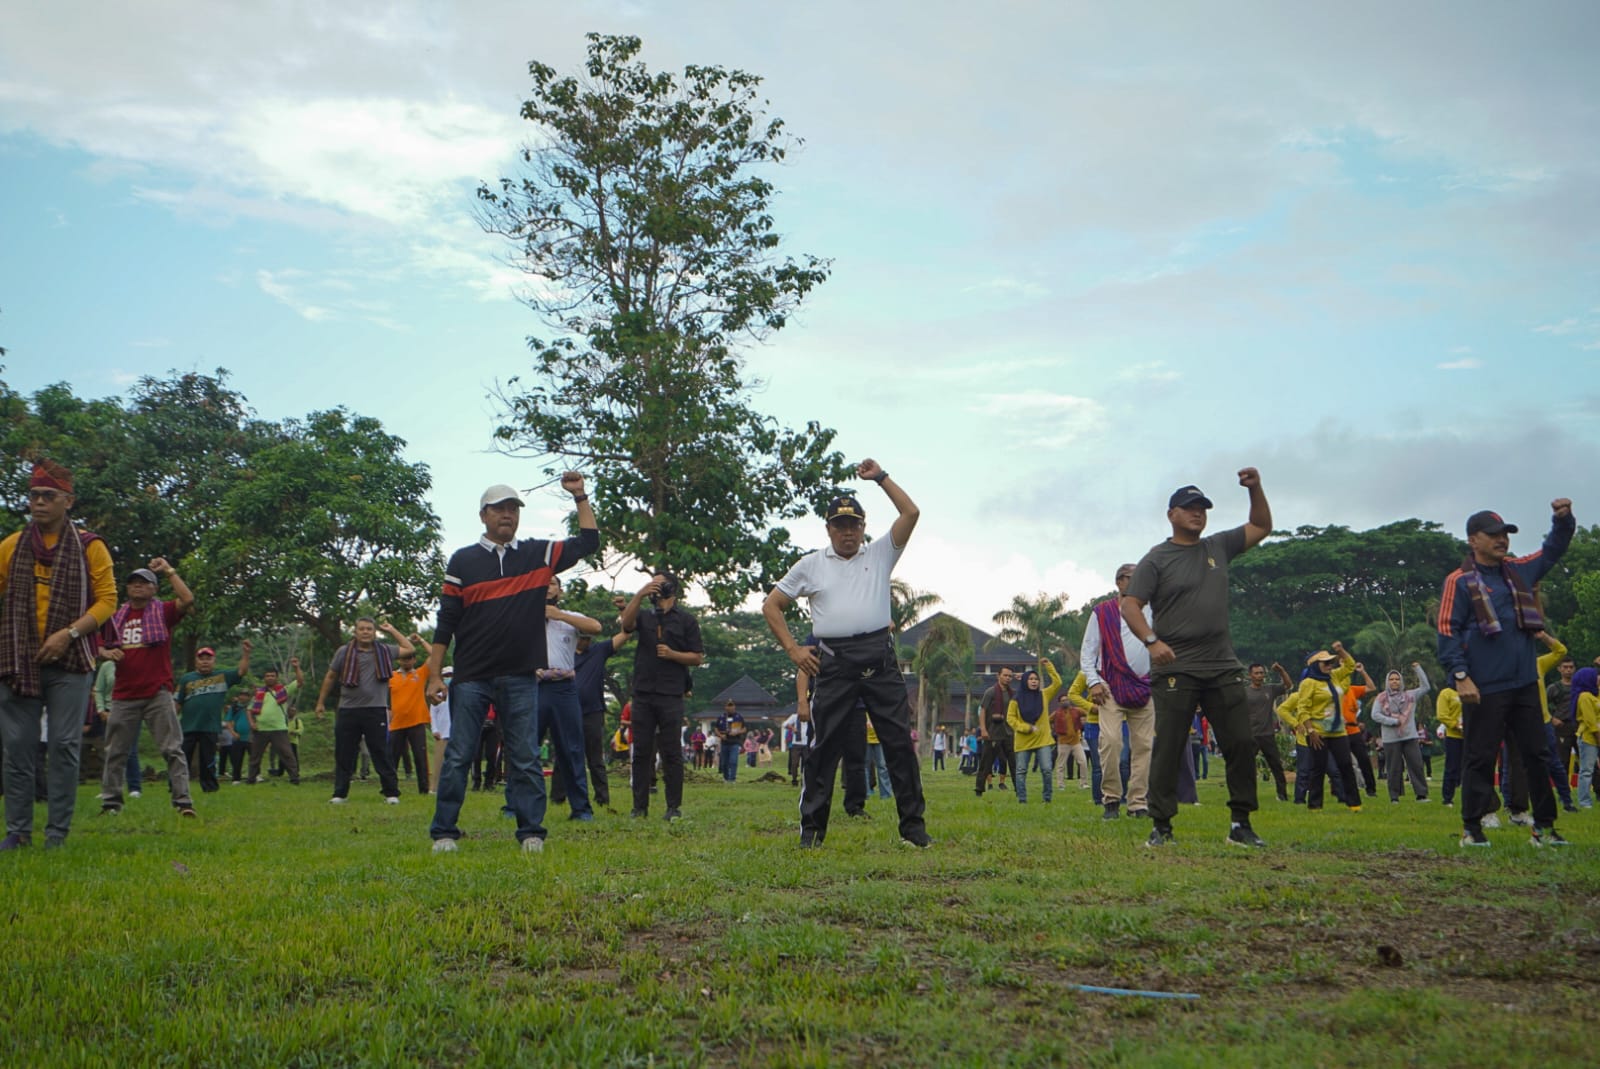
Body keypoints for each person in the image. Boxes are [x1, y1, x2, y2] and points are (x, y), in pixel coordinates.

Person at [425, 475, 599, 853]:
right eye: (499, 509)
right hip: (471, 675)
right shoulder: (463, 561)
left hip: (520, 675)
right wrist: (435, 675)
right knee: (459, 754)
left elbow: (589, 541)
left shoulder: (538, 554)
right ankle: (444, 832)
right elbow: (446, 621)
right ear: (483, 515)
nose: (507, 515)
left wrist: (580, 496)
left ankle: (531, 832)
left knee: (525, 756)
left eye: (513, 509)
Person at [763, 460, 931, 849]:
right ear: (829, 529)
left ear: (863, 526)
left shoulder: (880, 553)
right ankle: (812, 832)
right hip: (834, 663)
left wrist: (881, 478)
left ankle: (914, 830)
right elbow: (772, 605)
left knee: (898, 745)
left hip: (879, 659)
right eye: (840, 526)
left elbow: (911, 513)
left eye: (854, 525)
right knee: (824, 748)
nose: (848, 532)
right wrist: (793, 649)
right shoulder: (811, 565)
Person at [1122, 473, 1272, 849]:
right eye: (1189, 508)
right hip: (1176, 668)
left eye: (1202, 508)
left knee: (1240, 743)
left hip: (1221, 665)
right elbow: (1130, 605)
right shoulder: (1156, 559)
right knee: (1170, 747)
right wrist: (1152, 641)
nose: (1197, 513)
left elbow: (1261, 526)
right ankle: (1161, 826)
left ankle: (1240, 824)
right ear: (1171, 514)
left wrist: (1255, 488)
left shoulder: (1218, 546)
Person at [1437, 502, 1574, 848]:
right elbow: (1448, 630)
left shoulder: (1518, 571)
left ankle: (1544, 828)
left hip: (1525, 682)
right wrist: (1460, 675)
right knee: (1480, 758)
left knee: (1538, 755)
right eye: (1493, 535)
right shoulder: (1459, 581)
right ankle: (1473, 830)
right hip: (1484, 686)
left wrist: (1563, 521)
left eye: (1505, 534)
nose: (1502, 540)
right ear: (1473, 540)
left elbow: (1552, 550)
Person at [0, 461, 118, 850]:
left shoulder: (90, 546)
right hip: (19, 660)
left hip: (71, 661)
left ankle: (57, 835)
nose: (39, 502)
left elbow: (107, 601)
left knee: (65, 745)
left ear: (68, 501)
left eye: (48, 496)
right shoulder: (11, 546)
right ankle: (18, 831)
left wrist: (69, 634)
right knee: (17, 748)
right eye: (34, 495)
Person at [98, 560, 196, 817]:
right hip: (123, 694)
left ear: (154, 589)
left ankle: (183, 803)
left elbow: (187, 599)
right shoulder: (115, 617)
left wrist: (169, 571)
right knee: (115, 752)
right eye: (133, 582)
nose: (137, 586)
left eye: (144, 582)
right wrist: (106, 653)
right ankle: (111, 804)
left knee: (172, 749)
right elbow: (98, 646)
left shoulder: (163, 612)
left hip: (157, 692)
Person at [620, 571, 703, 821]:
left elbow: (697, 657)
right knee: (641, 752)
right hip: (643, 693)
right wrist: (639, 594)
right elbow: (626, 624)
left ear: (672, 588)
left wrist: (673, 655)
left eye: (659, 584)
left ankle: (673, 807)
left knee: (671, 753)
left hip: (671, 694)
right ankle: (639, 807)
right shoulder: (644, 616)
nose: (654, 588)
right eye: (651, 584)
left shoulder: (686, 620)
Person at [1085, 564, 1156, 820]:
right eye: (1132, 578)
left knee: (1144, 746)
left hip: (1145, 686)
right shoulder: (1102, 612)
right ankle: (1112, 799)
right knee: (1111, 742)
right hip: (1110, 687)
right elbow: (1088, 651)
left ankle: (1138, 803)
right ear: (1119, 582)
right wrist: (1093, 682)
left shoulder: (1153, 610)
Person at [317, 619, 407, 804]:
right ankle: (340, 794)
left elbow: (409, 648)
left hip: (376, 709)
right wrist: (320, 702)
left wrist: (392, 630)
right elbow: (331, 676)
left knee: (381, 751)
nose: (365, 632)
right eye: (362, 629)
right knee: (344, 752)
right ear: (355, 632)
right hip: (348, 709)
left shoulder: (384, 650)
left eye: (369, 629)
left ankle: (391, 793)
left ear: (374, 632)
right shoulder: (344, 652)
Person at [541, 578, 602, 820]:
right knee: (524, 747)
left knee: (572, 748)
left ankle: (581, 809)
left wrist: (559, 615)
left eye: (552, 583)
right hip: (531, 687)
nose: (547, 587)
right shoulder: (522, 614)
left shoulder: (568, 618)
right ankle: (515, 806)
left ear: (560, 591)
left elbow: (595, 627)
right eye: (543, 583)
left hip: (563, 688)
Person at [176, 641, 252, 794]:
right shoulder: (186, 679)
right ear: (196, 661)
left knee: (208, 759)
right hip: (188, 726)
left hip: (210, 726)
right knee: (182, 757)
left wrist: (246, 653)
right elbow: (177, 701)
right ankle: (177, 786)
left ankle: (210, 787)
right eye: (201, 658)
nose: (205, 661)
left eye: (208, 658)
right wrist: (170, 721)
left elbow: (241, 671)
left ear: (213, 661)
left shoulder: (221, 676)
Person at [571, 626, 631, 809]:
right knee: (565, 755)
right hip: (568, 711)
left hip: (593, 712)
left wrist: (626, 617)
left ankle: (602, 798)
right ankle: (559, 796)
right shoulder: (563, 653)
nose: (586, 641)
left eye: (588, 638)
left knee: (595, 758)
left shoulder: (598, 651)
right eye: (582, 638)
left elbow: (624, 635)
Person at [1370, 663, 1432, 803]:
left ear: (1401, 681)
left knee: (1416, 765)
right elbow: (1375, 715)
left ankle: (1421, 795)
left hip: (1409, 736)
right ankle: (1394, 797)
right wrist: (1392, 721)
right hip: (1390, 738)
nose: (1394, 682)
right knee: (1394, 768)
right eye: (1391, 679)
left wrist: (1417, 669)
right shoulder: (1381, 697)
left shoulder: (1410, 695)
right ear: (1387, 682)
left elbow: (1426, 687)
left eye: (1397, 679)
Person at [1007, 660, 1061, 803]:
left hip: (1043, 740)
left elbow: (1057, 683)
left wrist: (1048, 665)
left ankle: (1047, 799)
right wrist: (1026, 728)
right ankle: (1022, 799)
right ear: (1025, 681)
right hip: (1023, 740)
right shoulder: (1015, 700)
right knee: (1021, 771)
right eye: (1030, 679)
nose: (1034, 681)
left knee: (1047, 769)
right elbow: (1010, 719)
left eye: (1036, 679)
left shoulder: (1044, 695)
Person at [387, 635, 434, 796]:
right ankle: (390, 788)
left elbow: (434, 655)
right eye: (403, 659)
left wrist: (421, 641)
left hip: (416, 721)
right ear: (399, 660)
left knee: (420, 757)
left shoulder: (420, 673)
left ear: (414, 660)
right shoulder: (391, 676)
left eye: (409, 659)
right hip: (397, 723)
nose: (406, 662)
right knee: (392, 758)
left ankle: (424, 789)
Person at [246, 660, 304, 784]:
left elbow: (299, 682)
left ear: (277, 677)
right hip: (260, 729)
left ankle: (294, 778)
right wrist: (251, 723)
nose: (270, 678)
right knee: (255, 756)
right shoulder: (259, 693)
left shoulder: (283, 691)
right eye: (267, 676)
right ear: (264, 678)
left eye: (272, 675)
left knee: (287, 754)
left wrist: (296, 668)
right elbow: (249, 710)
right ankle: (251, 779)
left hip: (279, 728)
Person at [1244, 662, 1292, 801]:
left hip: (1267, 734)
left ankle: (1282, 795)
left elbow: (1288, 685)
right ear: (1250, 675)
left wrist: (1281, 670)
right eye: (1256, 673)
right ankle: (1247, 794)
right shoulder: (1244, 692)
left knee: (1276, 765)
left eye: (1262, 673)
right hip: (1250, 734)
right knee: (1247, 766)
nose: (1260, 676)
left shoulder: (1270, 689)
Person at [973, 668, 1015, 797]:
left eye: (1010, 676)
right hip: (992, 733)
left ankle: (1019, 789)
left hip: (1009, 733)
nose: (1007, 678)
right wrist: (983, 729)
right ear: (998, 676)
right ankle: (979, 789)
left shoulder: (1012, 693)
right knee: (986, 763)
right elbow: (983, 710)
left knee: (1014, 763)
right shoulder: (990, 692)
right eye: (1005, 675)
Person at [1548, 654, 1578, 787]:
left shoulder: (1580, 686)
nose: (1568, 670)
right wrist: (1552, 718)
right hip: (1562, 727)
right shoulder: (1554, 688)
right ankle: (1563, 791)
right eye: (1565, 667)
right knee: (1562, 761)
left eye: (1571, 667)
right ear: (1559, 669)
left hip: (1579, 726)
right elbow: (1541, 705)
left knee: (1587, 760)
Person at [1571, 668, 1599, 809]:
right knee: (1587, 770)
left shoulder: (1595, 694)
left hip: (1596, 736)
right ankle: (1584, 801)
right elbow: (1590, 721)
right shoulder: (1585, 697)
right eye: (1596, 676)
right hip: (1589, 737)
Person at [1052, 690, 1090, 791]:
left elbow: (1088, 713)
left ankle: (1084, 783)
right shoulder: (1056, 713)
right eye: (1063, 700)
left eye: (1066, 699)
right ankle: (1060, 784)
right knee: (1061, 765)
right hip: (1063, 742)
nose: (1065, 701)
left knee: (1083, 762)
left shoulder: (1077, 710)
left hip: (1076, 742)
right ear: (1059, 703)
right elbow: (1047, 720)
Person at [429, 666, 453, 795]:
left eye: (451, 675)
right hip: (441, 734)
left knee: (454, 762)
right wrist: (434, 729)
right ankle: (434, 787)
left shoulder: (459, 696)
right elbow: (432, 715)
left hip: (455, 733)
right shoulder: (437, 696)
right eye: (446, 676)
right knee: (438, 762)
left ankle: (452, 787)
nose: (449, 678)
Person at [713, 699, 745, 783]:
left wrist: (737, 732)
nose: (730, 707)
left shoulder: (738, 717)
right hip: (724, 742)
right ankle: (726, 778)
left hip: (734, 741)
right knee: (724, 762)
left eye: (731, 705)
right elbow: (716, 728)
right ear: (725, 707)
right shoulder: (721, 717)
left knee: (733, 761)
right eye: (728, 706)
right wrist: (720, 735)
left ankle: (732, 779)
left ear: (734, 707)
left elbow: (744, 728)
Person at [782, 706, 813, 786]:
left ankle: (805, 780)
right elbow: (784, 724)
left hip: (807, 744)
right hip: (796, 744)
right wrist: (792, 728)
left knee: (806, 763)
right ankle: (794, 779)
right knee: (794, 763)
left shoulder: (810, 717)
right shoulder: (794, 717)